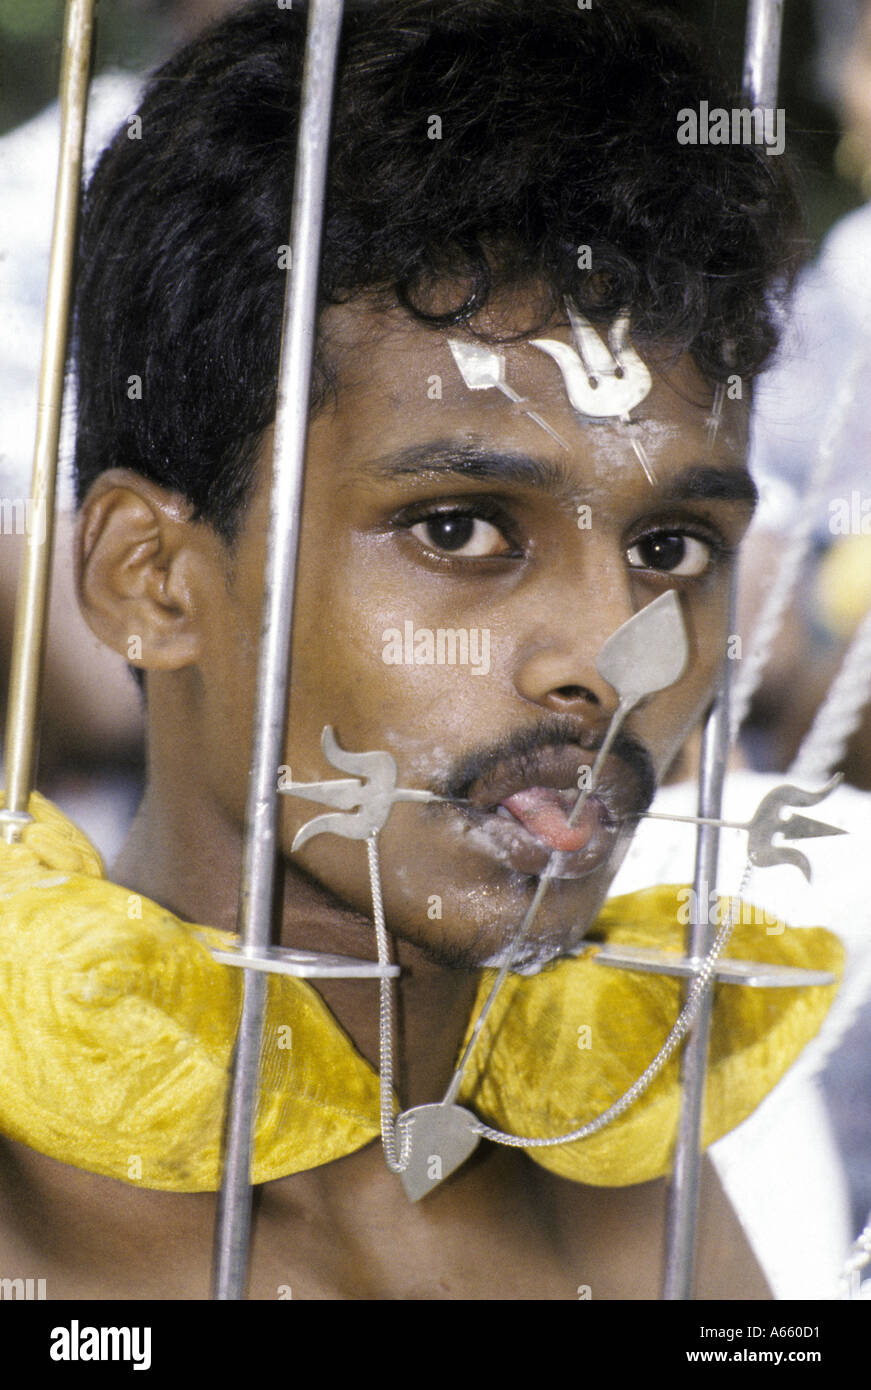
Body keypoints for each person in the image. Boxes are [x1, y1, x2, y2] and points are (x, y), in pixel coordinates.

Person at [0, 0, 836, 1301]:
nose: (614, 658)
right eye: (460, 529)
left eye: (673, 546)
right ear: (150, 579)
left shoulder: (627, 1175)